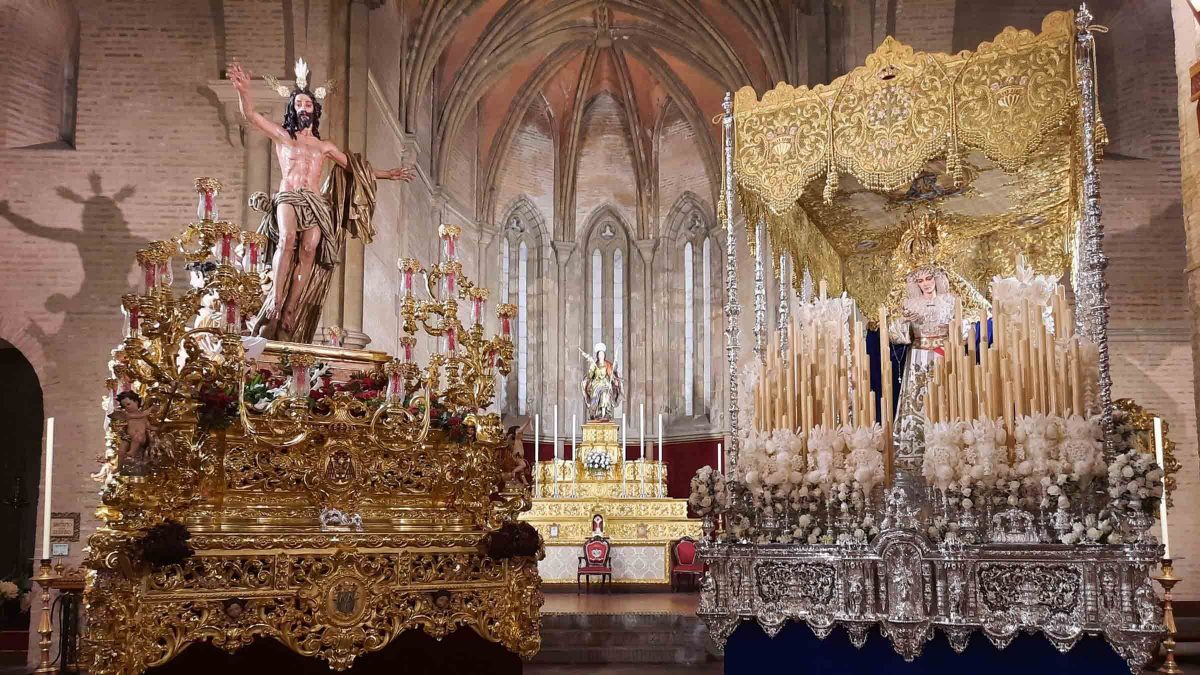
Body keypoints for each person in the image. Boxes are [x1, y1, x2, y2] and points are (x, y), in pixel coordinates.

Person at [227, 59, 415, 343]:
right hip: (289, 195)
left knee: (309, 249)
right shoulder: (282, 136)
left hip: (315, 202)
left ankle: (292, 307)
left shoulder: (324, 146)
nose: (304, 109)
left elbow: (355, 168)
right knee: (288, 238)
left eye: (308, 105)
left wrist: (388, 174)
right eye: (299, 105)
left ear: (315, 111)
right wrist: (244, 91)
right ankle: (276, 302)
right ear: (292, 109)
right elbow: (252, 116)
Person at [888, 268, 957, 457]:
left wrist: (952, 327)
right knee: (918, 396)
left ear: (936, 279)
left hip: (942, 353)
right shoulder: (910, 305)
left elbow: (964, 329)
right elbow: (894, 335)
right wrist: (903, 320)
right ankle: (917, 443)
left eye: (929, 278)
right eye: (920, 280)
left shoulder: (950, 302)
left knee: (944, 394)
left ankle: (947, 440)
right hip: (918, 354)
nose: (926, 283)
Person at [111, 391, 156, 474]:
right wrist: (151, 408)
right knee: (121, 449)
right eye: (124, 406)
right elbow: (142, 415)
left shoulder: (143, 417)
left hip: (141, 438)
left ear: (136, 402)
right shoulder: (128, 415)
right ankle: (119, 467)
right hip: (129, 437)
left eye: (128, 404)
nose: (127, 408)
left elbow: (149, 426)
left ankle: (132, 452)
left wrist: (157, 428)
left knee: (137, 436)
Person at [578, 343, 622, 421]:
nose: (601, 356)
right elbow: (590, 376)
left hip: (606, 383)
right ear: (597, 355)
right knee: (597, 391)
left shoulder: (608, 364)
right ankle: (595, 412)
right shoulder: (595, 365)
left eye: (602, 354)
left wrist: (615, 380)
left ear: (604, 355)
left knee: (606, 392)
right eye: (599, 354)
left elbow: (611, 374)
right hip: (596, 384)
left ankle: (605, 413)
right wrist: (591, 369)